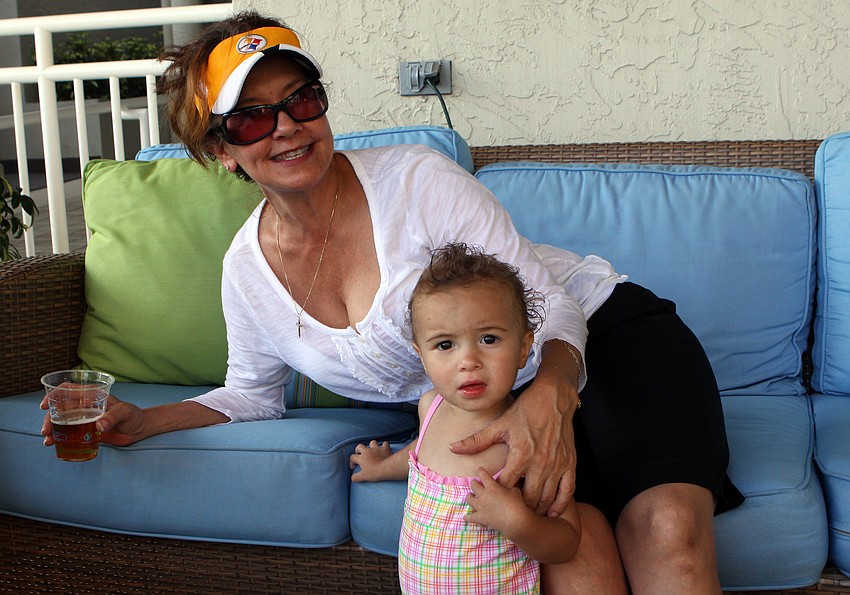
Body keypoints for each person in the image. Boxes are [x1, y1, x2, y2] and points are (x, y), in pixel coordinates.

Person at [39, 11, 743, 593]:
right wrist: (143, 418)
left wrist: (552, 394)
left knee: (665, 530)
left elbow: (551, 306)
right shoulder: (245, 272)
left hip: (599, 334)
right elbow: (251, 395)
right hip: (487, 404)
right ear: (222, 150)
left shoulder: (416, 182)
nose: (285, 126)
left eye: (301, 100)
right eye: (252, 119)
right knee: (577, 547)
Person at [350, 242, 582, 594]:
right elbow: (419, 455)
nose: (468, 360)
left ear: (523, 348)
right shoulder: (431, 407)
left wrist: (517, 522)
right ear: (422, 356)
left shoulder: (525, 440)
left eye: (489, 339)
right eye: (445, 345)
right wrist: (382, 467)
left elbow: (566, 543)